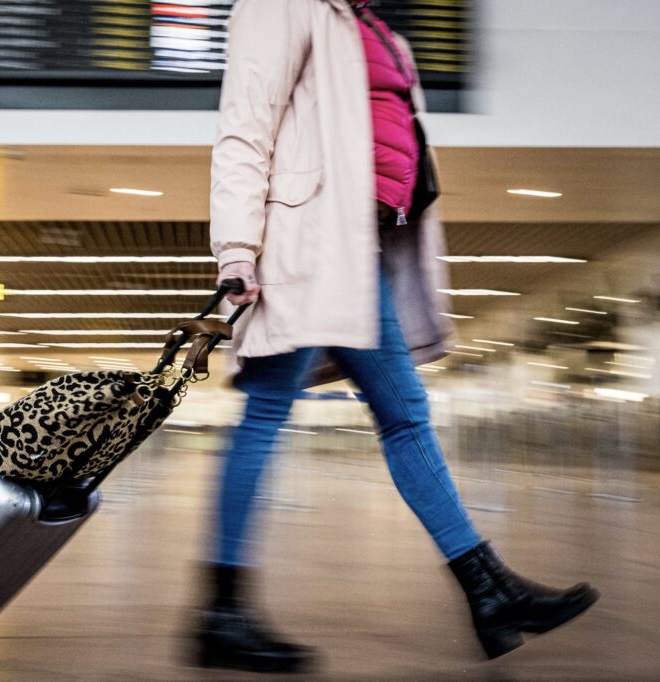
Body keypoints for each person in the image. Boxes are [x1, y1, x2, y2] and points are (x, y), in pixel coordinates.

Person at [197, 0, 599, 672]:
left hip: (359, 252)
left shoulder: (373, 26)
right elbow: (245, 126)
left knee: (406, 415)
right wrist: (238, 248)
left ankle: (489, 591)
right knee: (266, 411)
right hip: (306, 244)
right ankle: (220, 614)